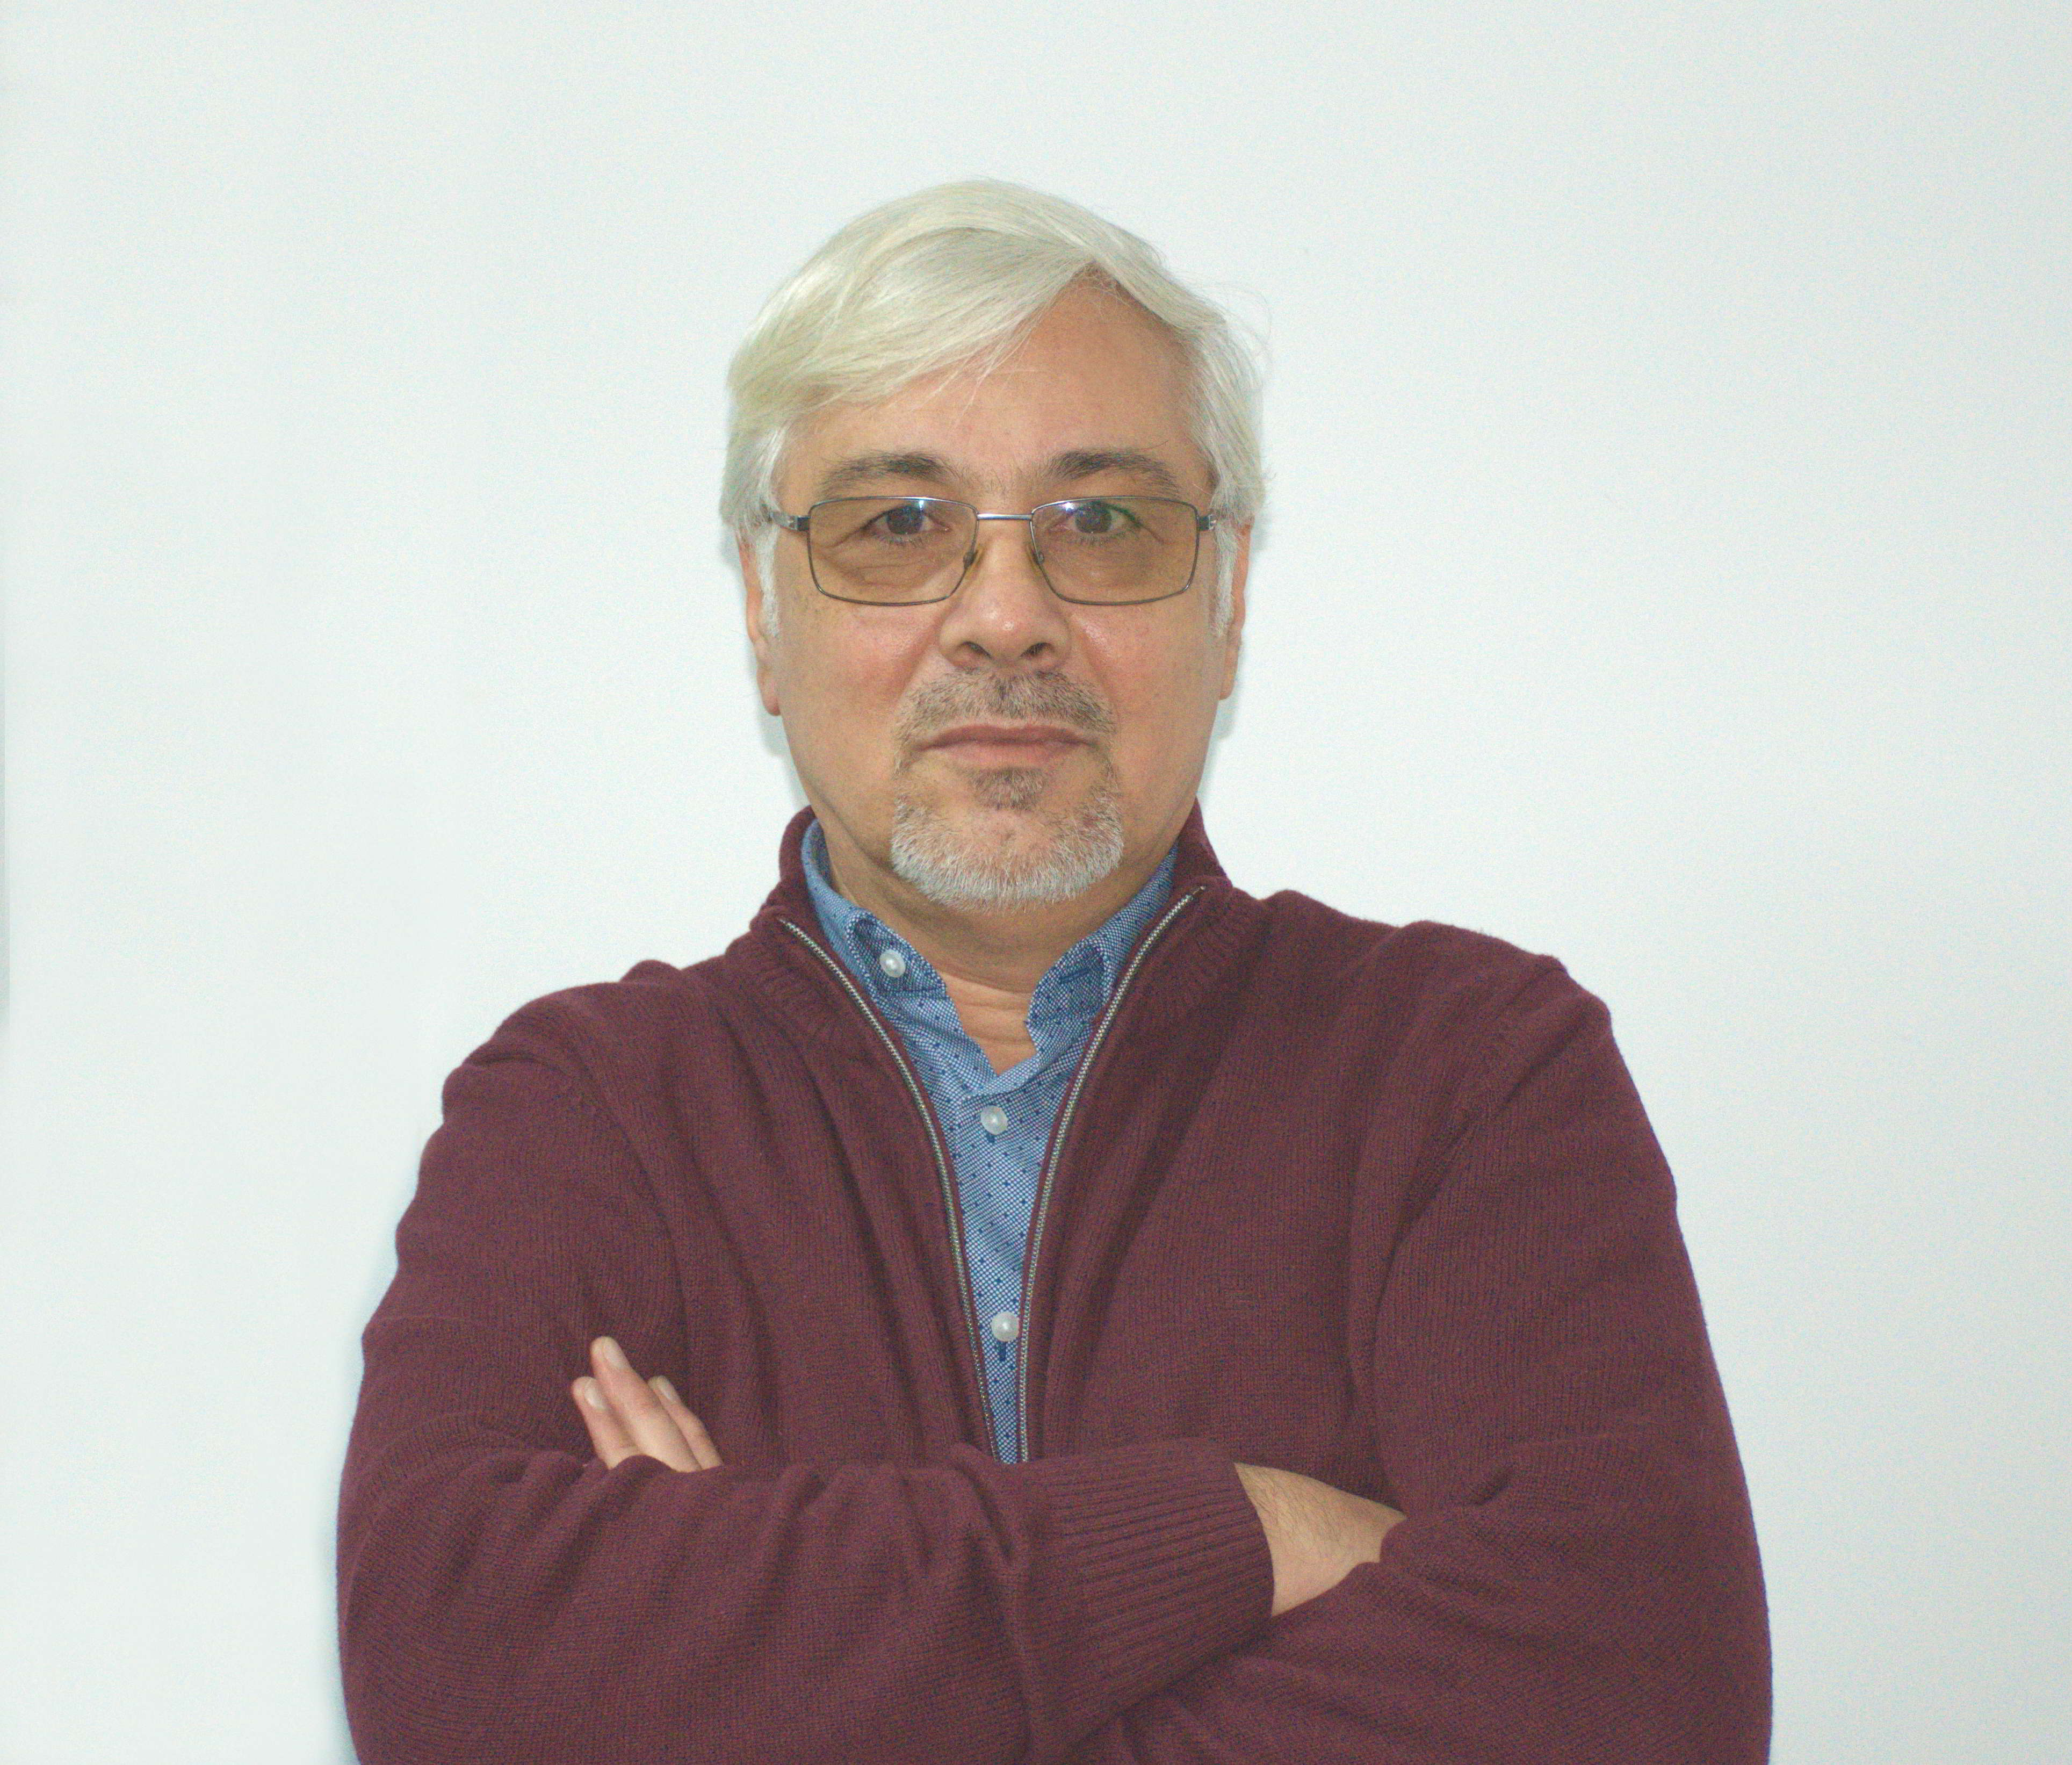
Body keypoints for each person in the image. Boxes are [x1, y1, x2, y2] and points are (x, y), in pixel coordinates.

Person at [337, 179, 1770, 1763]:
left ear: (1229, 598)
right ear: (761, 609)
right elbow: (450, 1685)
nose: (1006, 617)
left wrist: (768, 1671)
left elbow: (1646, 1707)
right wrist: (1239, 1532)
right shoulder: (585, 1115)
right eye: (898, 526)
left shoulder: (1470, 1075)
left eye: (1105, 525)